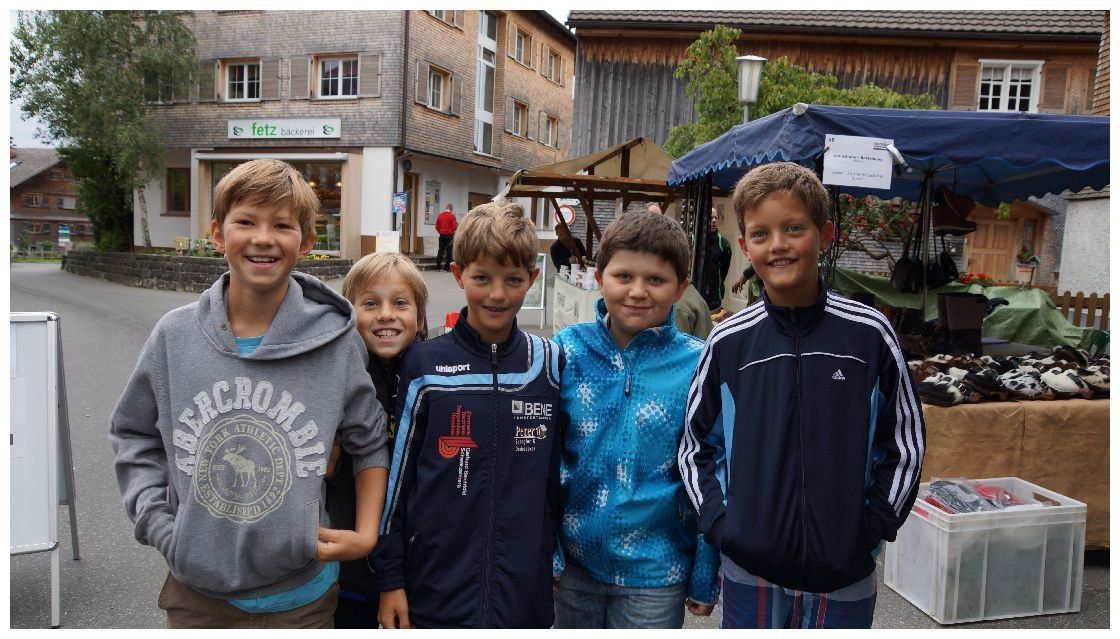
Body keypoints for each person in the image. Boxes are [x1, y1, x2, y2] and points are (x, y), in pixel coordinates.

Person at [109, 159, 390, 629]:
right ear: (218, 234)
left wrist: (365, 535)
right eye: (246, 222)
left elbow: (370, 440)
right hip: (197, 595)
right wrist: (161, 526)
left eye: (282, 225)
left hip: (302, 600)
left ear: (306, 243)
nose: (263, 238)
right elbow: (134, 434)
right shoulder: (173, 336)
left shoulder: (337, 342)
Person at [677, 162, 926, 629]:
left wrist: (873, 524)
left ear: (825, 234)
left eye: (794, 228)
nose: (778, 244)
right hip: (749, 570)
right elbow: (695, 445)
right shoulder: (729, 341)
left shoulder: (869, 335)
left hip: (844, 569)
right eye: (761, 233)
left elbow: (905, 441)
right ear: (744, 246)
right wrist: (721, 524)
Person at [372, 201, 564, 629]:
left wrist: (552, 557)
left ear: (532, 279)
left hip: (523, 591)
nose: (497, 294)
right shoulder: (424, 365)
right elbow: (397, 481)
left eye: (513, 279)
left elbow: (556, 480)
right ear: (458, 275)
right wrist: (390, 579)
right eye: (482, 278)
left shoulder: (548, 364)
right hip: (435, 588)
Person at [552, 211, 719, 629]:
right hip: (572, 565)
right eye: (623, 276)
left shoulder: (698, 364)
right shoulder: (567, 351)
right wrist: (546, 550)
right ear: (599, 277)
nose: (638, 291)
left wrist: (705, 569)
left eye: (656, 280)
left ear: (680, 287)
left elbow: (712, 467)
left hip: (657, 573)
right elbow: (540, 457)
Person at [326, 252, 429, 628]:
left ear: (420, 317)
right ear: (349, 313)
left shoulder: (436, 382)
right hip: (346, 570)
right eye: (370, 304)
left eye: (400, 303)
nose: (386, 314)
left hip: (415, 572)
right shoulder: (332, 379)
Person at [700, 208, 732, 311]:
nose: (714, 220)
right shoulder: (694, 240)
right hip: (697, 293)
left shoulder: (724, 244)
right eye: (711, 218)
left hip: (714, 296)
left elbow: (724, 270)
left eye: (716, 218)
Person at [435, 203, 457, 271]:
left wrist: (440, 232)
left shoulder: (440, 215)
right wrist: (452, 233)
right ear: (451, 209)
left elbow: (437, 226)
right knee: (449, 252)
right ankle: (447, 267)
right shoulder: (452, 216)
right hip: (449, 236)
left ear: (446, 208)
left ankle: (438, 267)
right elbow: (454, 227)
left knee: (440, 250)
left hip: (441, 235)